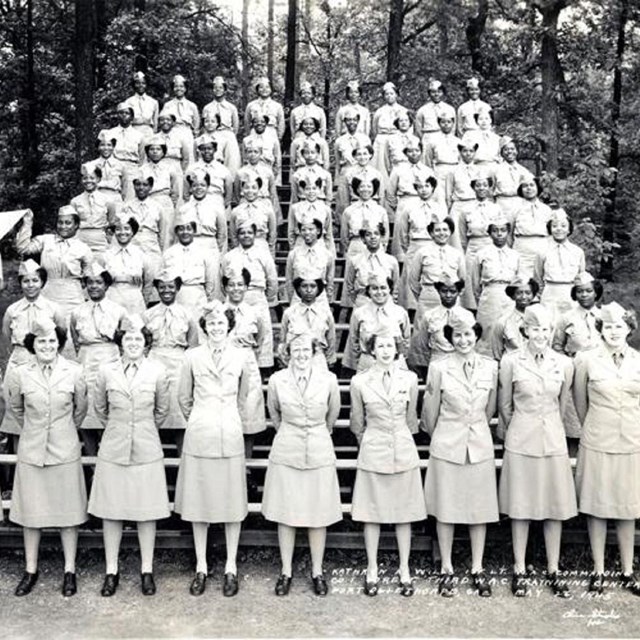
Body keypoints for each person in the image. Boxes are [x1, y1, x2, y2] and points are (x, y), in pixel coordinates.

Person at [176, 301, 265, 597]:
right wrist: (204, 419)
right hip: (200, 434)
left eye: (221, 323)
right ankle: (201, 565)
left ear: (229, 326)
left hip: (229, 433)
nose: (216, 328)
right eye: (211, 323)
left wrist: (225, 419)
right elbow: (184, 399)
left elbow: (242, 399)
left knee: (231, 504)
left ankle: (230, 566)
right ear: (205, 327)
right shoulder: (192, 357)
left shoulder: (241, 357)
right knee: (198, 504)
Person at [88, 314, 171, 597]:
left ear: (146, 343)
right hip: (113, 448)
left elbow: (161, 410)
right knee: (111, 512)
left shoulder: (157, 371)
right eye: (128, 338)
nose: (133, 342)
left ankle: (147, 570)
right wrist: (120, 429)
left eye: (138, 338)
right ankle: (111, 571)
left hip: (146, 448)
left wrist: (142, 430)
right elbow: (100, 409)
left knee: (147, 512)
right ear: (120, 343)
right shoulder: (106, 371)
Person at [498, 303, 577, 598]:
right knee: (521, 507)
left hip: (553, 439)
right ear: (525, 330)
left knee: (553, 507)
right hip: (521, 439)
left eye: (546, 329)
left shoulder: (564, 363)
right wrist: (518, 430)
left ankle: (554, 569)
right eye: (535, 328)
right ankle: (519, 568)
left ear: (551, 331)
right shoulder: (511, 361)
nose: (540, 334)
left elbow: (564, 403)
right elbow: (505, 406)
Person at [6, 318, 88, 597]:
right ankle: (31, 570)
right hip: (32, 450)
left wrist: (63, 432)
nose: (47, 346)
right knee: (32, 515)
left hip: (64, 450)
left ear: (60, 344)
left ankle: (69, 570)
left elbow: (81, 410)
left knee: (68, 515)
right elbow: (16, 409)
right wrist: (35, 431)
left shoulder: (74, 371)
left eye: (52, 341)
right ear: (33, 344)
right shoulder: (20, 373)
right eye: (41, 341)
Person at [422, 309, 499, 597]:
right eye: (458, 334)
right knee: (447, 509)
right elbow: (429, 413)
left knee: (479, 510)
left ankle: (477, 568)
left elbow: (490, 409)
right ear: (450, 337)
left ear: (476, 335)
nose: (464, 339)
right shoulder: (439, 367)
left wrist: (474, 427)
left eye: (468, 334)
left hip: (478, 444)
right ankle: (447, 568)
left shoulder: (490, 367)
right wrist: (444, 435)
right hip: (447, 443)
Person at [262, 332, 341, 596]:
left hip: (319, 448)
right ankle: (286, 571)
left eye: (306, 350)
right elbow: (275, 413)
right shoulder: (277, 380)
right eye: (296, 350)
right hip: (287, 449)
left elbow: (332, 414)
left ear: (314, 352)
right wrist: (290, 433)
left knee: (318, 514)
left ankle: (317, 572)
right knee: (286, 513)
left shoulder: (328, 380)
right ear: (287, 352)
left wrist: (318, 432)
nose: (301, 354)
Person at [350, 330, 425, 597]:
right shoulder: (360, 382)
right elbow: (357, 423)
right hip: (373, 451)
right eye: (380, 345)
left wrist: (399, 441)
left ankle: (405, 569)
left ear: (397, 349)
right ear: (372, 350)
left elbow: (412, 419)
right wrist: (372, 444)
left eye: (389, 345)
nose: (385, 350)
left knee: (405, 513)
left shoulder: (410, 378)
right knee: (372, 513)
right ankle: (372, 569)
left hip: (403, 450)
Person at [573, 301, 640, 596]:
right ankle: (598, 570)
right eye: (609, 326)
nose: (614, 331)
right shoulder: (586, 359)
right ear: (601, 328)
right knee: (597, 506)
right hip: (598, 438)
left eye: (620, 326)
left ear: (629, 329)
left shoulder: (638, 360)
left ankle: (627, 571)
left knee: (628, 506)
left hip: (632, 440)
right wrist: (597, 425)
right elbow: (579, 402)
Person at [70, 265, 126, 453]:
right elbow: (75, 340)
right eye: (90, 282)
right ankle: (91, 462)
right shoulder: (77, 311)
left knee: (106, 404)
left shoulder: (118, 310)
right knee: (86, 406)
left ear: (107, 285)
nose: (94, 286)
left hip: (109, 356)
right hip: (86, 358)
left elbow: (123, 340)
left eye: (99, 282)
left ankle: (107, 459)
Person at [143, 268, 199, 437]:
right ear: (157, 289)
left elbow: (193, 345)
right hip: (155, 360)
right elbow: (144, 344)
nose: (166, 291)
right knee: (155, 406)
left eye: (170, 287)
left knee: (178, 411)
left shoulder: (187, 315)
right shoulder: (148, 315)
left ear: (177, 288)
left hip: (178, 361)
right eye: (162, 287)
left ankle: (181, 456)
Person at [15, 206, 95, 322]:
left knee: (71, 330)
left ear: (76, 225)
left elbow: (89, 276)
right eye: (60, 222)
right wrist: (27, 222)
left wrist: (88, 300)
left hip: (73, 295)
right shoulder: (46, 240)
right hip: (48, 292)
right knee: (46, 329)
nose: (63, 226)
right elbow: (23, 248)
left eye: (68, 223)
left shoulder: (83, 248)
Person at [221, 222, 277, 370]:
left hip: (256, 296)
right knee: (235, 330)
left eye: (249, 233)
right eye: (242, 233)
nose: (246, 235)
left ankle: (262, 369)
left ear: (254, 235)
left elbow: (272, 279)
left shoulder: (263, 255)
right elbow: (223, 280)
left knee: (261, 332)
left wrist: (265, 296)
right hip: (235, 296)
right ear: (237, 236)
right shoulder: (229, 257)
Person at [2, 260, 64, 378]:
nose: (30, 285)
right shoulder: (12, 310)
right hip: (19, 360)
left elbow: (61, 337)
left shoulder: (53, 308)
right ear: (20, 283)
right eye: (26, 281)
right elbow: (6, 337)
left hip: (46, 359)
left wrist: (50, 356)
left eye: (35, 280)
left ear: (42, 282)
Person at [395, 176, 448, 308]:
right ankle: (411, 309)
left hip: (433, 245)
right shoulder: (409, 208)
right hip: (415, 245)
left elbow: (445, 230)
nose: (423, 190)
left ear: (433, 188)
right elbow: (403, 232)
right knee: (412, 277)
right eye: (420, 187)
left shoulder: (440, 208)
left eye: (427, 186)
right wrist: (409, 248)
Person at [343, 272, 410, 372]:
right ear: (368, 291)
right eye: (374, 288)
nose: (379, 292)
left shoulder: (400, 312)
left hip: (395, 363)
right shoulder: (359, 313)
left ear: (389, 289)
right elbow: (354, 340)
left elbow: (406, 340)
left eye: (383, 287)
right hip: (368, 362)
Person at [471, 216, 519, 354]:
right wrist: (483, 298)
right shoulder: (482, 254)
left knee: (509, 328)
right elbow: (475, 282)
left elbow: (519, 279)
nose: (499, 234)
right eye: (495, 230)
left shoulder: (514, 255)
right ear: (489, 233)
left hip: (510, 296)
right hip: (490, 295)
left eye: (503, 230)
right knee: (488, 331)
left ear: (508, 232)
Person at [162, 209, 221, 322]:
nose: (185, 232)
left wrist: (206, 302)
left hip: (197, 298)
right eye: (181, 229)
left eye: (189, 228)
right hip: (176, 298)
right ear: (176, 231)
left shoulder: (204, 252)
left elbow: (210, 282)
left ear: (194, 231)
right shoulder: (168, 254)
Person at [407, 217, 465, 322]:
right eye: (437, 230)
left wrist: (452, 295)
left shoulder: (457, 254)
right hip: (428, 299)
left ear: (450, 232)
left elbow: (462, 280)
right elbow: (413, 280)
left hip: (450, 299)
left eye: (445, 230)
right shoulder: (422, 253)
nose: (441, 233)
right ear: (431, 233)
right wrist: (426, 293)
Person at [534, 208, 586, 322]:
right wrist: (542, 294)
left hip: (570, 295)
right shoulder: (542, 251)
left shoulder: (577, 252)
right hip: (550, 294)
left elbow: (581, 278)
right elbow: (538, 278)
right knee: (548, 325)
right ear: (550, 229)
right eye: (554, 226)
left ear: (569, 229)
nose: (559, 229)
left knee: (571, 325)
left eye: (563, 226)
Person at [458, 173, 501, 310]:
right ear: (473, 188)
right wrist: (468, 248)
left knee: (490, 275)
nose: (481, 188)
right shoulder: (466, 210)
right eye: (478, 185)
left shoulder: (496, 208)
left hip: (490, 244)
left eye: (485, 185)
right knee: (471, 279)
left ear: (489, 188)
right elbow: (462, 234)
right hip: (473, 246)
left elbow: (500, 229)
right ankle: (472, 310)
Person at [407, 275, 465, 375]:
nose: (448, 295)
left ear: (459, 292)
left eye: (453, 291)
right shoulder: (429, 316)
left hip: (459, 364)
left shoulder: (467, 317)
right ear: (438, 291)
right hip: (436, 362)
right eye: (444, 291)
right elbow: (422, 345)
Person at [278, 274, 337, 370]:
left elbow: (331, 340)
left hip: (318, 358)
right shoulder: (289, 313)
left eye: (313, 286)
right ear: (298, 289)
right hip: (296, 358)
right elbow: (283, 340)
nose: (309, 290)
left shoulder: (325, 313)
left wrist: (328, 360)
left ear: (318, 289)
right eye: (304, 286)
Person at [103, 214, 153, 315]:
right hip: (112, 298)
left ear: (133, 232)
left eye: (127, 229)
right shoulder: (106, 255)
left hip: (134, 301)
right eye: (118, 229)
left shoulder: (141, 255)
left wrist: (143, 300)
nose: (122, 233)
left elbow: (148, 281)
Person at [343, 223, 400, 309]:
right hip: (362, 303)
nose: (373, 237)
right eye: (368, 235)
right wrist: (359, 301)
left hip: (385, 304)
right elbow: (349, 285)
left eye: (376, 234)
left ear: (381, 237)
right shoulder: (355, 260)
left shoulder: (391, 261)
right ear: (363, 239)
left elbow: (395, 286)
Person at [70, 163, 117, 259]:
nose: (88, 181)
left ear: (98, 179)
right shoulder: (75, 201)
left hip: (99, 239)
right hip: (81, 238)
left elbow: (111, 221)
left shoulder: (108, 200)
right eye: (85, 178)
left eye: (92, 178)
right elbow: (72, 224)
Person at [179, 167, 228, 256]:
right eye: (195, 185)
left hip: (210, 246)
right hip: (191, 246)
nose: (199, 188)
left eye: (202, 185)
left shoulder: (216, 207)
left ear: (208, 187)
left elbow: (222, 232)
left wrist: (216, 249)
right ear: (190, 188)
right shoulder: (184, 209)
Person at [284, 219, 335, 306]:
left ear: (318, 231)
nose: (307, 232)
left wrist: (326, 300)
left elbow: (329, 281)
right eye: (303, 230)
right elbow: (289, 280)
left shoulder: (327, 255)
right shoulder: (293, 254)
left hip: (320, 301)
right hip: (298, 300)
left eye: (311, 229)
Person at [333, 108, 372, 220]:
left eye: (354, 120)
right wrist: (337, 180)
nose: (351, 122)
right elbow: (337, 162)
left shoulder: (365, 139)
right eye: (348, 120)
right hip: (346, 171)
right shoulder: (339, 141)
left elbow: (368, 158)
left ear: (358, 121)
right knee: (343, 202)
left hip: (361, 172)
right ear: (344, 122)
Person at [511, 176, 553, 278]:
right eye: (525, 186)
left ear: (538, 187)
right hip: (522, 250)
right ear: (520, 189)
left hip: (542, 247)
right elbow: (509, 233)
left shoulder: (546, 209)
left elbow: (551, 232)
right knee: (522, 280)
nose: (529, 188)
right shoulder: (515, 209)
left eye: (532, 185)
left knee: (542, 278)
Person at [490, 276, 539, 361]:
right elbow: (497, 352)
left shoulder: (541, 320)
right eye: (519, 293)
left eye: (528, 293)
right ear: (513, 296)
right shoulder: (503, 322)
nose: (524, 297)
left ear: (533, 295)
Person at [202, 75, 242, 174]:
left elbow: (235, 125)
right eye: (215, 88)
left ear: (225, 90)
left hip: (228, 134)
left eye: (220, 88)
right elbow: (204, 125)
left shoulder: (231, 107)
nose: (218, 90)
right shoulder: (207, 107)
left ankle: (231, 182)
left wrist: (231, 136)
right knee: (215, 159)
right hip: (213, 134)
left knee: (232, 161)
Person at [340, 177, 388, 258]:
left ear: (374, 189)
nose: (365, 189)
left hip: (375, 247)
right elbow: (344, 236)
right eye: (362, 186)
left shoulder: (380, 210)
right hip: (356, 246)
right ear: (357, 189)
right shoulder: (349, 211)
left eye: (369, 187)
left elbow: (385, 234)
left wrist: (381, 246)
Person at [371, 82, 407, 186]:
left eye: (392, 93)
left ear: (396, 94)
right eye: (386, 94)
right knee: (381, 166)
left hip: (397, 138)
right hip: (382, 139)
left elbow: (407, 127)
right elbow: (374, 129)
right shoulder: (380, 111)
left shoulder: (403, 110)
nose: (389, 96)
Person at [492, 137, 532, 219]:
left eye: (512, 149)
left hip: (520, 205)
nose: (509, 151)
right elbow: (489, 192)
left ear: (517, 151)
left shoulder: (524, 171)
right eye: (506, 149)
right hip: (501, 205)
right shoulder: (495, 170)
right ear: (501, 152)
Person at [162, 74, 200, 155]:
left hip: (187, 133)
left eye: (181, 86)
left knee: (189, 157)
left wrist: (194, 136)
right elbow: (163, 122)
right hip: (172, 133)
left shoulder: (192, 106)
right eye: (176, 86)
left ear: (185, 88)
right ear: (173, 88)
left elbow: (196, 125)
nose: (179, 89)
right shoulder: (167, 105)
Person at [88, 130, 127, 204]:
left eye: (109, 145)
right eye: (102, 145)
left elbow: (125, 187)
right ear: (98, 147)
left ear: (113, 147)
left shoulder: (121, 165)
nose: (106, 148)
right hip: (98, 198)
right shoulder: (91, 165)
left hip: (115, 198)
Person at [105, 102, 146, 169]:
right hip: (114, 167)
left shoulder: (139, 136)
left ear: (132, 117)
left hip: (132, 167)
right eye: (121, 113)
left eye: (127, 113)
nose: (124, 115)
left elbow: (142, 157)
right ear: (117, 115)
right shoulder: (110, 133)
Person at [414, 79, 455, 143]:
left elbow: (453, 127)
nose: (436, 94)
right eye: (433, 92)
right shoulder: (422, 110)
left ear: (443, 93)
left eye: (439, 92)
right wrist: (424, 139)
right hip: (428, 138)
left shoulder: (449, 109)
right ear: (429, 93)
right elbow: (418, 128)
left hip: (444, 138)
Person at [125, 70, 159, 139]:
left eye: (143, 83)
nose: (141, 85)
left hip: (148, 132)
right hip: (133, 131)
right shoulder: (128, 102)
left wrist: (154, 134)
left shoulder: (153, 102)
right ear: (134, 85)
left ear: (146, 85)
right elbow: (126, 121)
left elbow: (155, 122)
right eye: (138, 83)